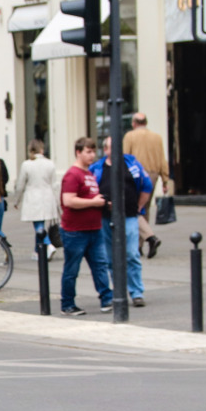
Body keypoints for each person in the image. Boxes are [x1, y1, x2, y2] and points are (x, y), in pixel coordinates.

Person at [91, 136, 150, 307]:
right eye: (110, 147)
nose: (114, 151)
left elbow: (146, 185)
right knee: (110, 257)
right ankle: (118, 290)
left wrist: (139, 207)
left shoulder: (132, 165)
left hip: (129, 215)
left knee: (132, 254)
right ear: (106, 150)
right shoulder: (98, 168)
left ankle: (136, 292)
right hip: (106, 217)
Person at [58, 137, 112, 316]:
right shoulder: (73, 175)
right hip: (75, 230)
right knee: (72, 268)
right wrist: (94, 203)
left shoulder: (89, 174)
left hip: (94, 228)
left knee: (100, 265)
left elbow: (89, 198)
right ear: (78, 152)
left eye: (93, 151)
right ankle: (67, 303)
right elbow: (69, 200)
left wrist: (102, 203)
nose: (92, 155)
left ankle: (107, 298)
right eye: (88, 152)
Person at [122, 113, 170, 258]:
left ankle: (144, 241)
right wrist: (165, 180)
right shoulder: (157, 137)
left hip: (135, 175)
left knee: (133, 208)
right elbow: (162, 159)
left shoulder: (129, 136)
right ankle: (141, 243)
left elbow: (125, 156)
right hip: (153, 174)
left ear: (134, 123)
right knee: (144, 208)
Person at [10, 139, 60, 259]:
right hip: (48, 197)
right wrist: (58, 203)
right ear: (41, 149)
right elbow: (55, 185)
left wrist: (16, 200)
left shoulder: (26, 165)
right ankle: (37, 251)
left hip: (33, 198)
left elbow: (20, 185)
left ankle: (48, 244)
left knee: (38, 225)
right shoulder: (50, 163)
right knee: (40, 224)